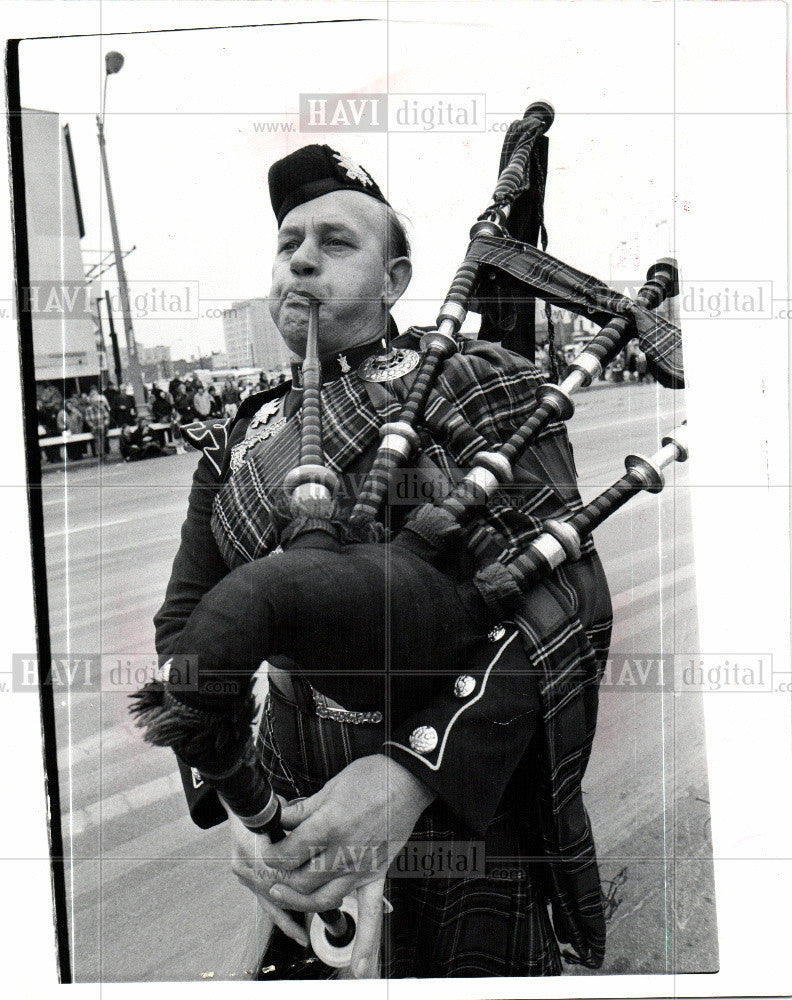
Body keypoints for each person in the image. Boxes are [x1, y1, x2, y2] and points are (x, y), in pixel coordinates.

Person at [151, 144, 612, 979]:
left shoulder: (477, 380)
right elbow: (184, 630)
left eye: (335, 242)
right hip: (297, 806)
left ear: (396, 279)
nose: (300, 258)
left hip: (456, 807)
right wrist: (245, 802)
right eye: (289, 241)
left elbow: (563, 599)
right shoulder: (237, 439)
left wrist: (409, 777)